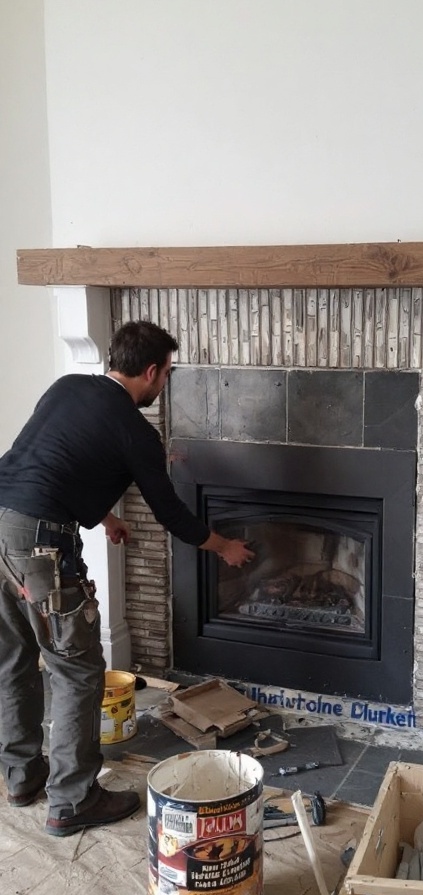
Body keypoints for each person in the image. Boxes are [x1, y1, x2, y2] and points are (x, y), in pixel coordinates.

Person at [0, 320, 254, 836]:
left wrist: (105, 517)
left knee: (13, 659)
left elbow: (54, 462)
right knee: (75, 669)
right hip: (42, 549)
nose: (163, 386)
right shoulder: (137, 432)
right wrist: (224, 545)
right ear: (152, 371)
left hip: (2, 527)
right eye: (166, 375)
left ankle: (22, 777)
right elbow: (172, 515)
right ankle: (73, 800)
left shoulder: (68, 386)